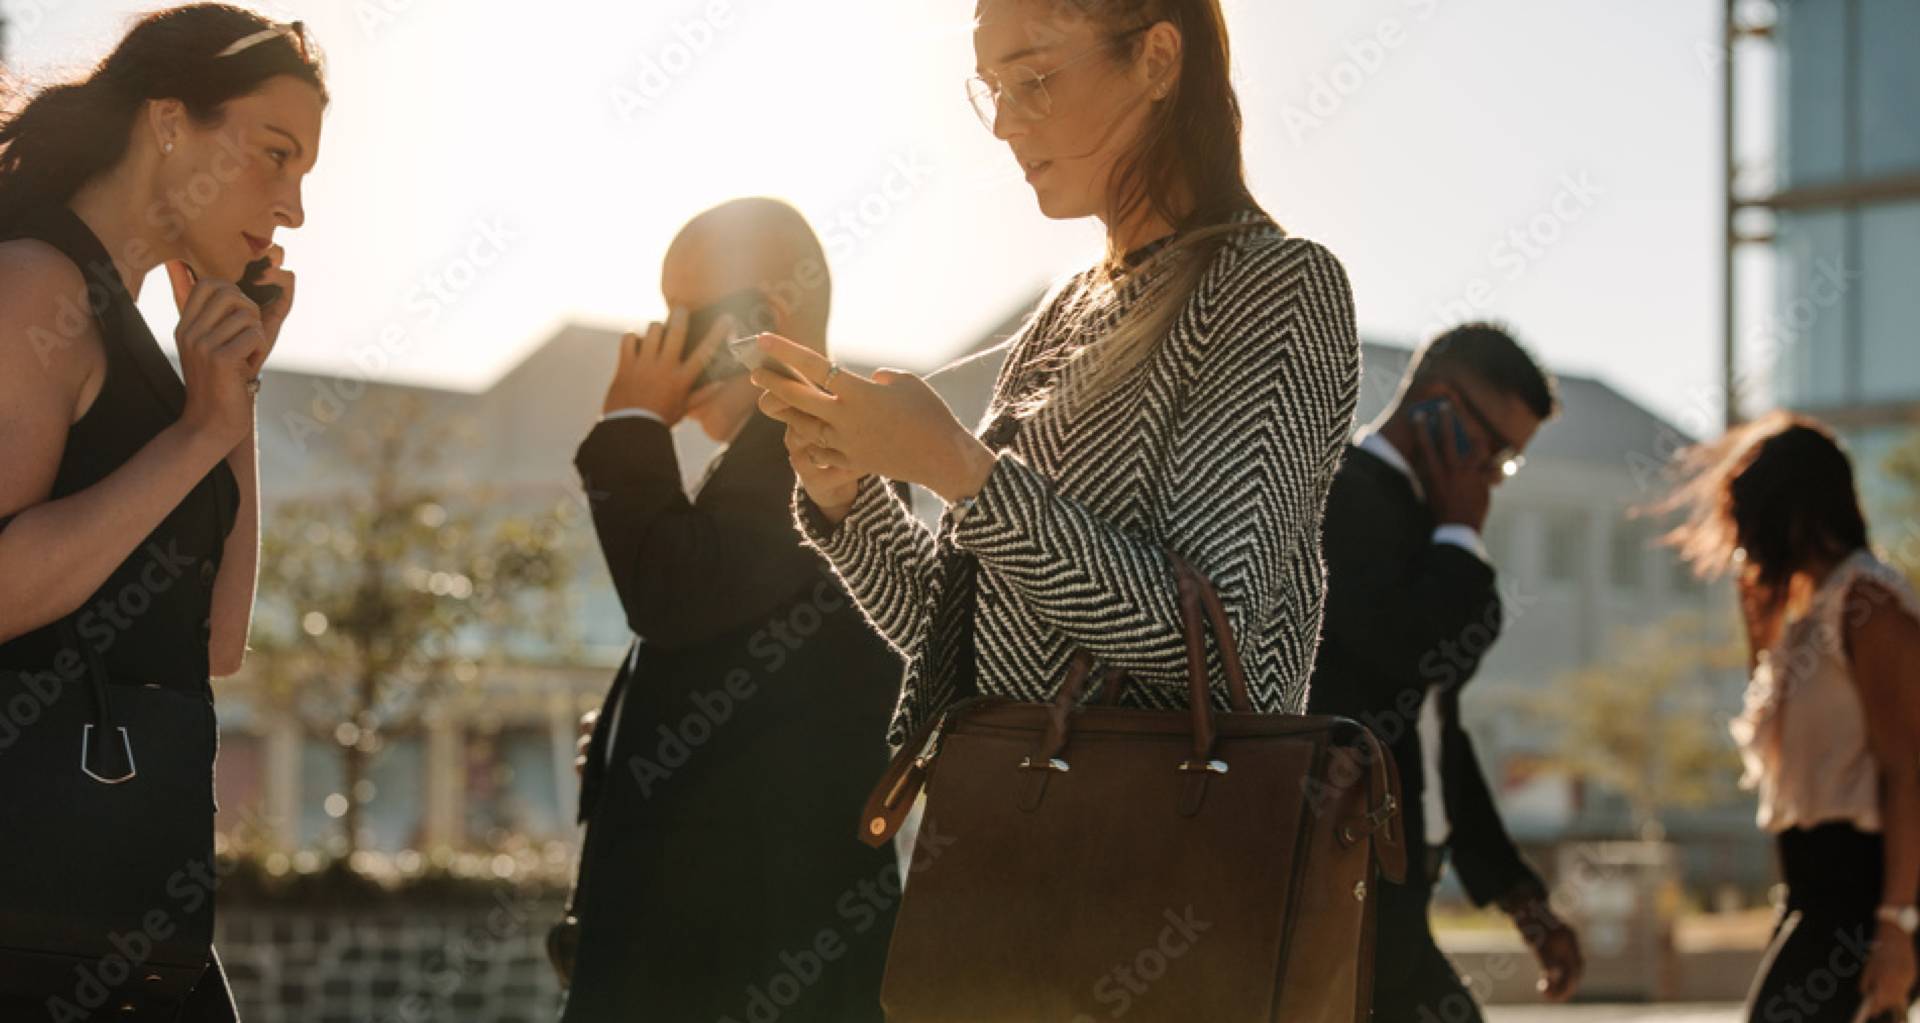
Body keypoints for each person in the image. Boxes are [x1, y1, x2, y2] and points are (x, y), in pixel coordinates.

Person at [753, 0, 1358, 776]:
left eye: (1033, 78)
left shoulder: (1275, 285)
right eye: (990, 89)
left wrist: (958, 469)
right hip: (1006, 840)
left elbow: (1214, 639)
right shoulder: (1067, 306)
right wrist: (847, 497)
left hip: (1162, 857)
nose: (1004, 124)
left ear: (1157, 60)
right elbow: (963, 639)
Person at [0, 6, 323, 1018]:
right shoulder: (32, 286)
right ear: (171, 121)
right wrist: (194, 433)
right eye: (277, 155)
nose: (295, 207)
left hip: (123, 910)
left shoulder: (148, 340)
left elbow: (217, 640)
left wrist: (235, 397)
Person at [560, 198, 902, 1023]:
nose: (659, 340)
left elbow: (670, 592)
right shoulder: (756, 462)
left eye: (683, 315)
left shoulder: (811, 448)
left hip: (756, 959)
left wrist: (633, 421)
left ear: (763, 319)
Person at [1305, 323, 1584, 1021]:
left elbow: (1436, 734)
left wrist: (1520, 895)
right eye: (1496, 451)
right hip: (1338, 876)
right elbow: (1415, 647)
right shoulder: (1342, 496)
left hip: (1398, 888)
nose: (1491, 477)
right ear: (1437, 403)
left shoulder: (1422, 521)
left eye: (1507, 462)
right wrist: (1462, 529)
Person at [1655, 411, 1920, 1023]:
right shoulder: (1807, 615)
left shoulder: (1869, 605)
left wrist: (1898, 926)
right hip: (1810, 887)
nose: (1741, 539)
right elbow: (1777, 755)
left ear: (1794, 512)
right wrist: (1760, 617)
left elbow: (1906, 773)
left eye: (1748, 517)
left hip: (1866, 887)